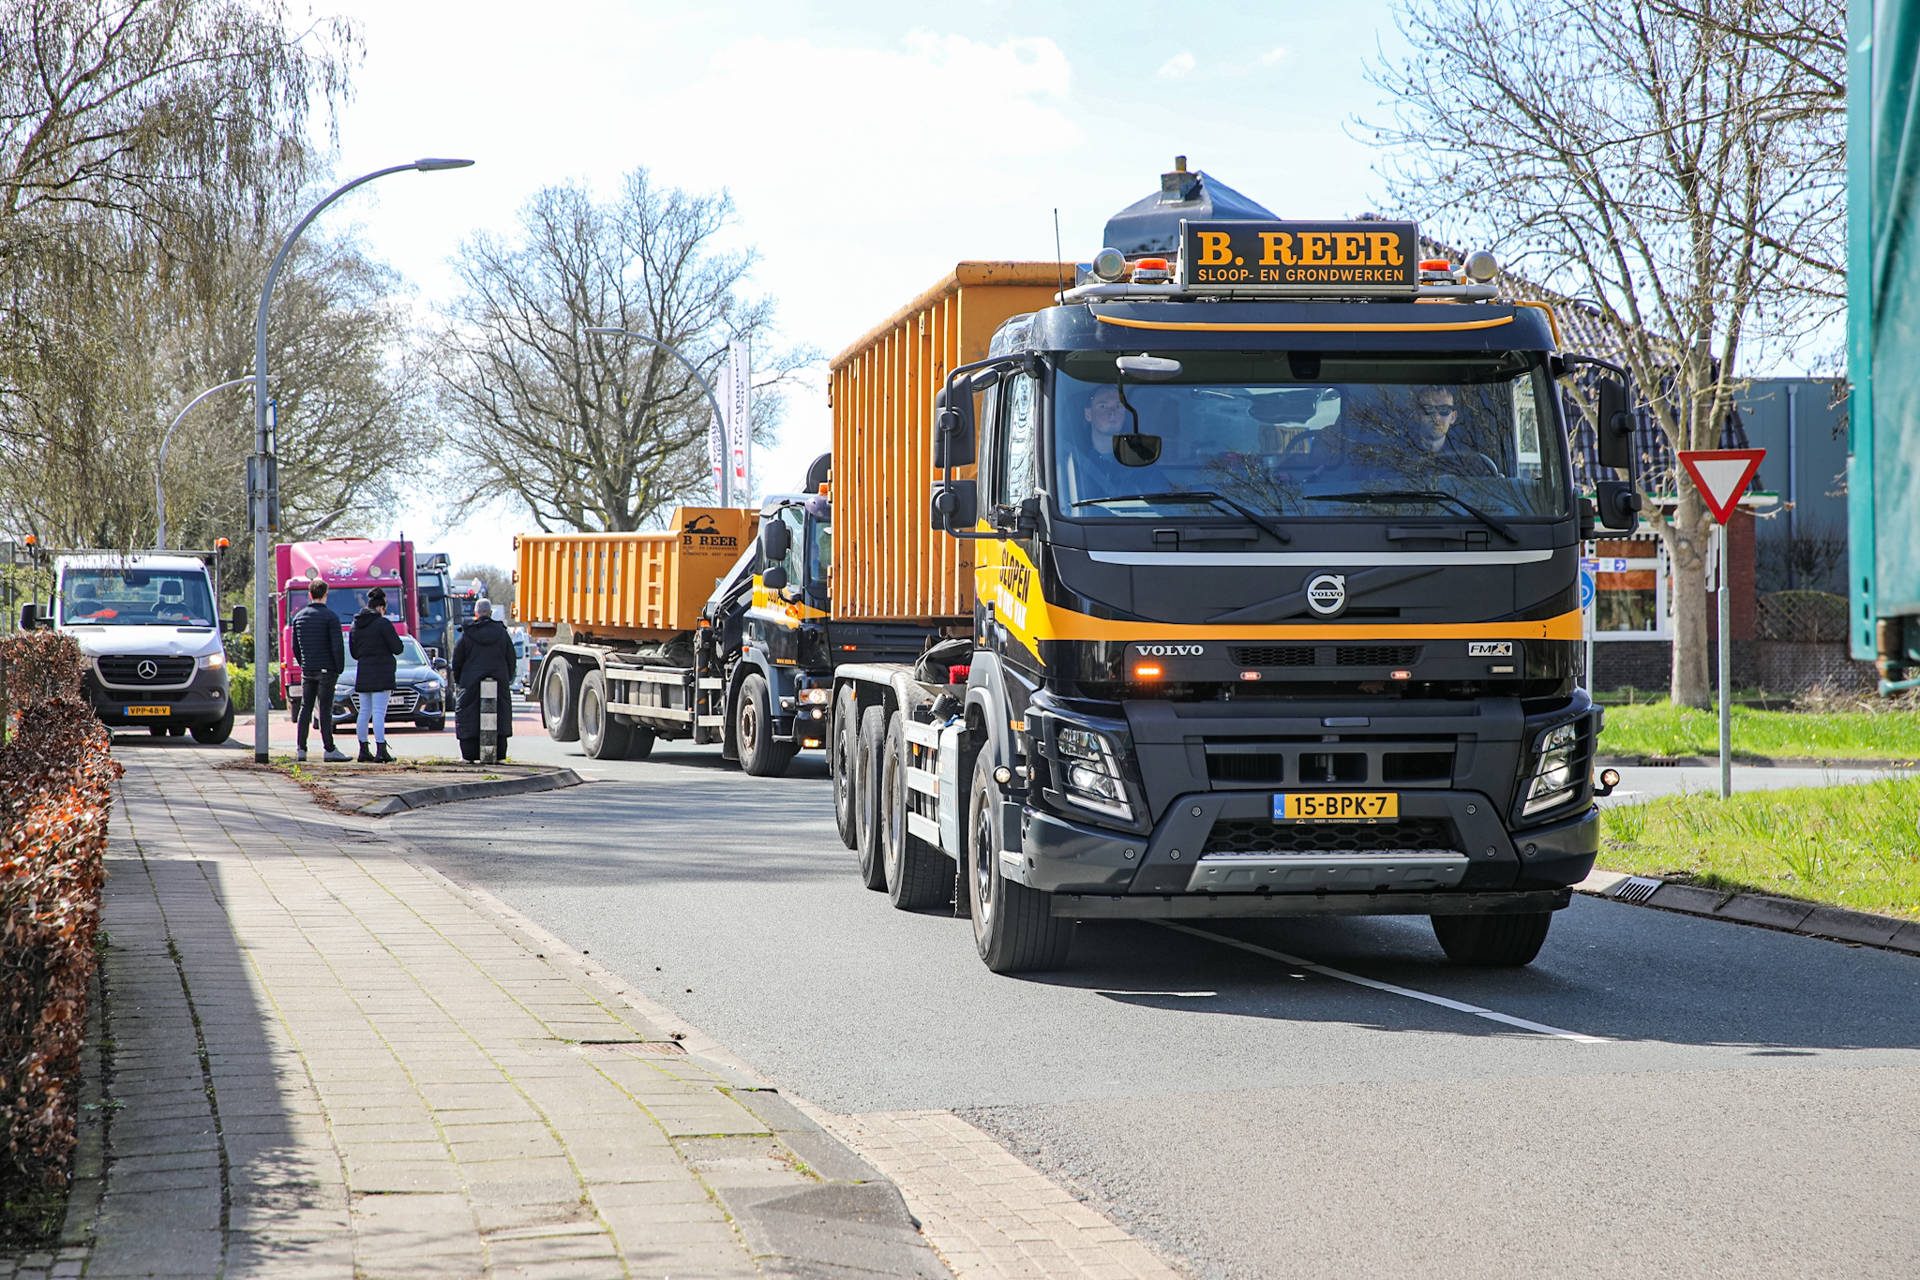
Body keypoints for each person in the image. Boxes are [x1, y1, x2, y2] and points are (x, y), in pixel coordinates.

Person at [451, 597, 515, 763]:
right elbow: (511, 658)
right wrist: (507, 678)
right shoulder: (502, 633)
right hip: (498, 678)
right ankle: (499, 754)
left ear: (476, 613)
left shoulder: (467, 634)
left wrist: (460, 681)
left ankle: (468, 755)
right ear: (491, 613)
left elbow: (457, 660)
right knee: (501, 713)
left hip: (470, 681)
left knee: (467, 713)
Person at [291, 579, 348, 763]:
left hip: (308, 669)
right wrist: (338, 667)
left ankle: (301, 749)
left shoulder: (299, 618)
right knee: (325, 709)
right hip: (326, 670)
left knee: (305, 708)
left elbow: (295, 647)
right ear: (325, 595)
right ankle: (329, 749)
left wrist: (304, 664)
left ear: (310, 594)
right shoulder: (331, 617)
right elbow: (337, 646)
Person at [349, 585, 403, 763]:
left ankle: (363, 749)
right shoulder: (383, 623)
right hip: (382, 672)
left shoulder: (355, 624)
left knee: (364, 712)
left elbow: (354, 653)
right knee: (379, 712)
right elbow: (398, 648)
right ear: (381, 607)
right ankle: (381, 750)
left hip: (364, 671)